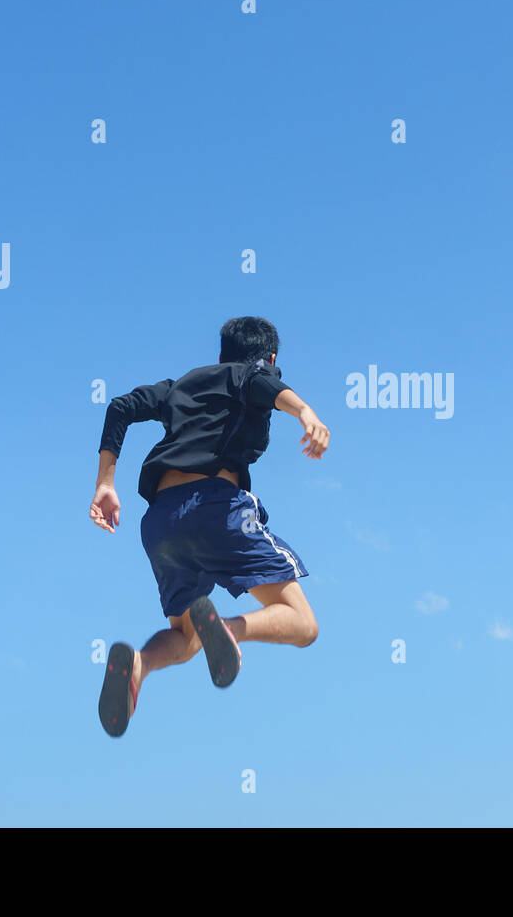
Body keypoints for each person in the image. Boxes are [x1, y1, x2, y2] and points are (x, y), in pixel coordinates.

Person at [89, 316, 329, 737]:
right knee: (304, 624)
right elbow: (263, 383)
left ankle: (139, 667)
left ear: (219, 355)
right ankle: (229, 631)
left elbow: (120, 407)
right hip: (217, 511)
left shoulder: (180, 386)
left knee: (184, 635)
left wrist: (105, 483)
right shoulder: (252, 374)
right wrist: (305, 412)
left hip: (161, 523)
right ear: (271, 359)